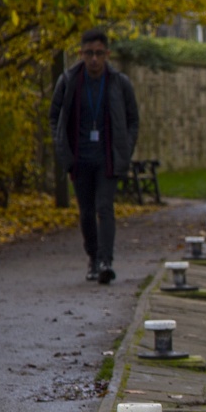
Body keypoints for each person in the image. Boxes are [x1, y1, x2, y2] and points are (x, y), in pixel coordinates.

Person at [50, 28, 140, 284]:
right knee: (86, 211)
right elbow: (54, 117)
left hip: (107, 158)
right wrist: (62, 148)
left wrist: (125, 147)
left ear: (107, 54)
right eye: (89, 53)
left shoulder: (119, 82)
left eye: (99, 54)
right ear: (81, 53)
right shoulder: (68, 81)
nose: (94, 59)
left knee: (105, 207)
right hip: (79, 158)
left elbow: (133, 119)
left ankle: (105, 261)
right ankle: (92, 256)